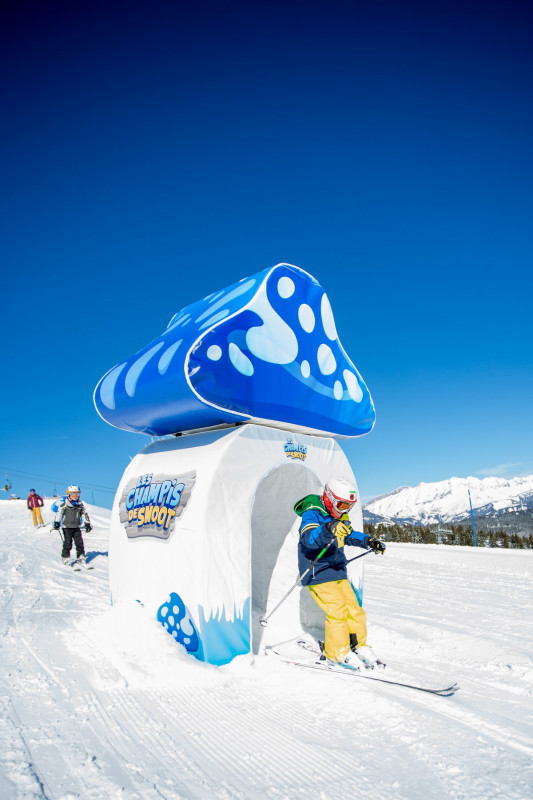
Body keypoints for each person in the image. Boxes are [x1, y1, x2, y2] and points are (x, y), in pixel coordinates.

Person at [294, 477, 386, 669]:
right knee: (337, 611)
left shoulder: (338, 516)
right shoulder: (313, 513)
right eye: (342, 504)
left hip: (337, 570)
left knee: (354, 609)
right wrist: (328, 528)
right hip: (317, 570)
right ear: (328, 498)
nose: (345, 510)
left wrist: (369, 541)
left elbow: (349, 534)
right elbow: (309, 539)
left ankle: (358, 645)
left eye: (349, 506)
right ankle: (336, 653)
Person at [53, 485, 92, 566]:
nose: (76, 495)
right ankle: (65, 558)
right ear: (69, 494)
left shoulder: (80, 505)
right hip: (67, 527)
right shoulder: (65, 504)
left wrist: (87, 523)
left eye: (77, 493)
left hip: (76, 526)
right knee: (68, 543)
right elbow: (59, 513)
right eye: (73, 493)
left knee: (79, 543)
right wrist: (56, 522)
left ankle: (81, 557)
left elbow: (84, 514)